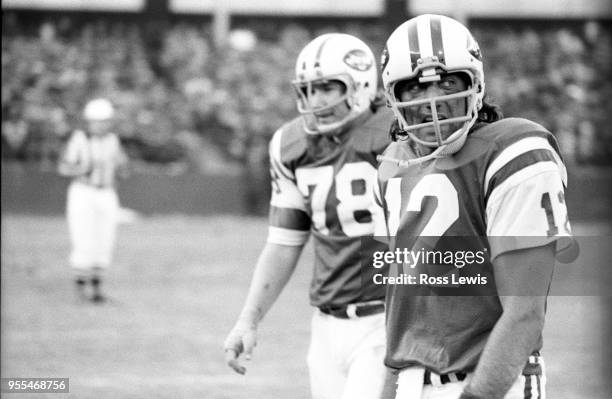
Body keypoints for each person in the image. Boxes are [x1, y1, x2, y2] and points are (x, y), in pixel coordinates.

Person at [375, 14, 575, 399]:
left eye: (448, 83)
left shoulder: (514, 150)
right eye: (414, 89)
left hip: (492, 381)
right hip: (411, 384)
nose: (433, 102)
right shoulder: (393, 164)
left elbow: (524, 313)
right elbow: (401, 312)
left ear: (476, 84)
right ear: (392, 97)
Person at [224, 33, 395, 399]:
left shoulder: (398, 132)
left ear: (362, 84)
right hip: (327, 324)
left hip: (389, 316)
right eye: (308, 89)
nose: (314, 100)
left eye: (327, 88)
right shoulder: (290, 144)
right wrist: (248, 319)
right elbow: (284, 243)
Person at [58, 98, 128, 303]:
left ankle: (97, 287)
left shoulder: (113, 141)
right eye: (98, 121)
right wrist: (81, 169)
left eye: (105, 121)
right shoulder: (79, 139)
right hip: (84, 192)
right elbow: (64, 167)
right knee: (83, 238)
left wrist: (121, 168)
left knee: (104, 239)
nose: (101, 125)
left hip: (106, 193)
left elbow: (123, 166)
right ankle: (81, 286)